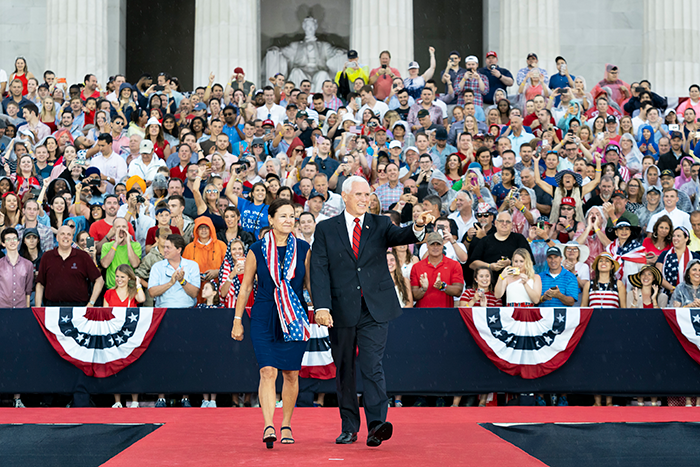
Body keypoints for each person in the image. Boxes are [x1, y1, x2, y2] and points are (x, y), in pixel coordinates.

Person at [311, 176, 433, 447]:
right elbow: (318, 269)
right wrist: (321, 306)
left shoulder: (380, 223)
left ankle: (377, 424)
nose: (365, 199)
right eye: (359, 194)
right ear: (345, 196)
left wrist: (418, 226)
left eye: (368, 194)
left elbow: (402, 235)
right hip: (340, 310)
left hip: (375, 309)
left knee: (372, 366)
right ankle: (349, 426)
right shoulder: (325, 229)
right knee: (344, 370)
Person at [231, 199, 312, 448]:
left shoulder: (303, 248)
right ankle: (268, 424)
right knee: (267, 370)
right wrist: (237, 321)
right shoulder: (256, 248)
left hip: (295, 315)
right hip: (265, 314)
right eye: (283, 216)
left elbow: (310, 284)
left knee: (290, 373)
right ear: (271, 219)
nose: (288, 220)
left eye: (292, 216)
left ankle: (286, 423)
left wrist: (321, 310)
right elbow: (245, 288)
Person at [36, 225, 104, 306]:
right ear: (57, 238)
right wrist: (38, 307)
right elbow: (40, 284)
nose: (66, 237)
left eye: (69, 234)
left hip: (78, 308)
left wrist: (91, 303)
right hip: (52, 307)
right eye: (62, 234)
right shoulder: (47, 256)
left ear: (72, 238)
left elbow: (99, 280)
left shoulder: (83, 256)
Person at [468, 211, 533, 286]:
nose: (504, 223)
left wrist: (511, 264)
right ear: (495, 223)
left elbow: (529, 263)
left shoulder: (519, 239)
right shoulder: (485, 240)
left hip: (515, 283)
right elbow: (472, 264)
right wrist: (490, 266)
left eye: (507, 222)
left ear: (512, 225)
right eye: (501, 221)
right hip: (490, 286)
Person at [411, 231, 464, 308]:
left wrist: (443, 286)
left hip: (445, 313)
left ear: (442, 245)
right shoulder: (417, 267)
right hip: (422, 315)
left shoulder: (454, 265)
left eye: (438, 244)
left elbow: (458, 291)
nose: (435, 247)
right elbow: (414, 295)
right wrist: (423, 289)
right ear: (427, 245)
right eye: (432, 244)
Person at [656, 227, 700, 298]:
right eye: (674, 236)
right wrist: (674, 289)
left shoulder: (694, 256)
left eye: (678, 236)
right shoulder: (665, 254)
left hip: (691, 294)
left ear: (686, 238)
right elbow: (658, 275)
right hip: (668, 294)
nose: (675, 238)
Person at [100, 217, 142, 290]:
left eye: (124, 226)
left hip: (130, 287)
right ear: (113, 229)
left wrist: (128, 242)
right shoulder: (106, 246)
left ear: (128, 229)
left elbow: (135, 264)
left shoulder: (136, 245)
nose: (121, 229)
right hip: (112, 287)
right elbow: (105, 264)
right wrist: (116, 243)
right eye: (118, 227)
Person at [0, 228, 33, 308]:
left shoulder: (28, 264)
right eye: (8, 239)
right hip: (3, 308)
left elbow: (28, 292)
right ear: (3, 243)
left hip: (21, 308)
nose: (12, 241)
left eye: (14, 238)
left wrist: (26, 311)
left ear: (18, 241)